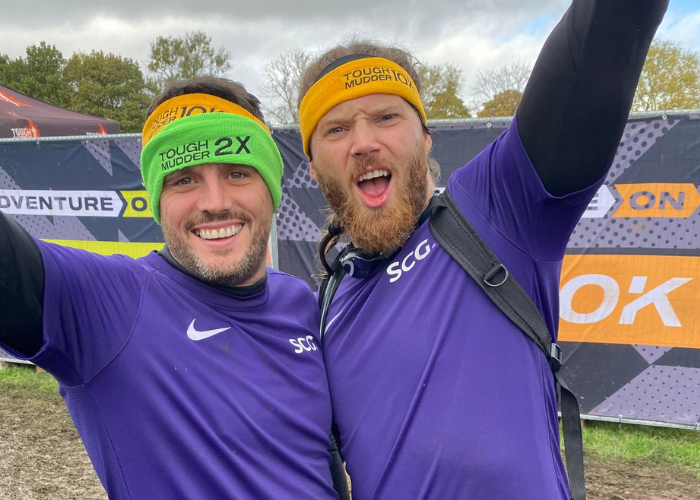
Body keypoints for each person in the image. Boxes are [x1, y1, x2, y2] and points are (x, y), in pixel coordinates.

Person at [297, 1, 668, 499]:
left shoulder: (498, 207)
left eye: (386, 117)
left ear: (425, 139)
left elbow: (604, 32)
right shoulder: (325, 305)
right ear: (315, 168)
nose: (363, 142)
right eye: (336, 128)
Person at [0, 77, 342, 499]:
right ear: (157, 200)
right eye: (184, 179)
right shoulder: (106, 302)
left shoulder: (302, 304)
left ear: (271, 190)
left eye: (237, 172)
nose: (214, 202)